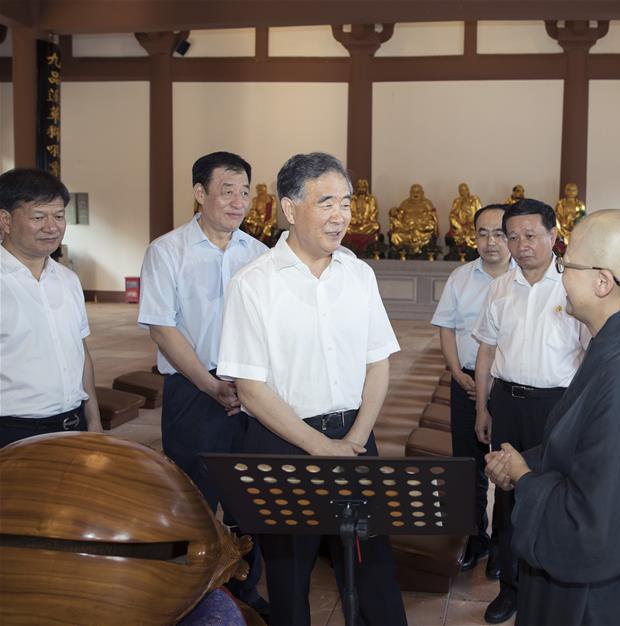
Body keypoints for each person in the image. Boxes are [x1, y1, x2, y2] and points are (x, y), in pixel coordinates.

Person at [217, 152, 407, 626]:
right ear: (289, 208)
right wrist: (321, 447)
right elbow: (251, 388)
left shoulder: (359, 275)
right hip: (283, 445)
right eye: (326, 203)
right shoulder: (253, 283)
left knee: (373, 573)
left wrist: (355, 439)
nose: (341, 215)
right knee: (289, 580)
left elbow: (378, 363)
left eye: (346, 203)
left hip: (355, 440)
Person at [485, 209, 620, 625]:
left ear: (602, 281)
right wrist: (525, 461)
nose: (561, 276)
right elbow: (584, 449)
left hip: (599, 600)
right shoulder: (618, 345)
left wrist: (524, 478)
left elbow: (591, 523)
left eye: (566, 265)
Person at [138, 151, 269, 615]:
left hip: (250, 392)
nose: (238, 202)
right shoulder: (166, 251)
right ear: (199, 193)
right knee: (190, 499)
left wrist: (247, 386)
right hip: (192, 392)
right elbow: (163, 329)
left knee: (249, 496)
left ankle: (246, 590)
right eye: (227, 191)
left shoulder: (260, 255)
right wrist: (212, 386)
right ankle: (187, 593)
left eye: (244, 192)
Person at [473, 198, 587, 624]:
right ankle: (511, 588)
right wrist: (482, 407)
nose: (521, 245)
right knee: (506, 496)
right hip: (507, 402)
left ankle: (550, 585)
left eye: (531, 235)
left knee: (552, 494)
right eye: (513, 236)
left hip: (557, 407)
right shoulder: (500, 288)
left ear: (554, 236)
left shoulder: (574, 286)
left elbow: (589, 355)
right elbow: (486, 352)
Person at [431, 204, 514, 577]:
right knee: (467, 467)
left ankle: (503, 547)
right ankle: (475, 537)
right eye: (483, 233)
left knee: (509, 466)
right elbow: (446, 328)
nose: (491, 241)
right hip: (465, 381)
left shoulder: (524, 279)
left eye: (499, 233)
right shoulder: (461, 277)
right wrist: (455, 372)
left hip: (507, 386)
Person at [0, 168, 102, 446]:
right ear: (5, 220)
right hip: (13, 431)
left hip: (74, 423)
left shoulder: (68, 279)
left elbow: (80, 353)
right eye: (38, 217)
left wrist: (93, 420)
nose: (52, 227)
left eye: (58, 216)